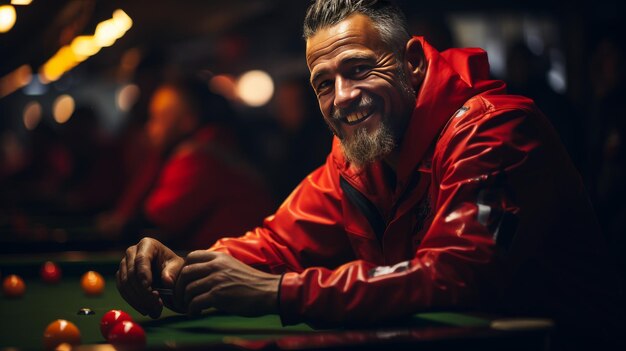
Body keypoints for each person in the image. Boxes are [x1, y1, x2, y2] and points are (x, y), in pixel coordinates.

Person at [116, 1, 624, 348]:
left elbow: (455, 274)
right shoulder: (356, 156)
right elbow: (277, 243)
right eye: (323, 83)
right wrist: (185, 267)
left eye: (359, 68)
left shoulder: (495, 130)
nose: (341, 97)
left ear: (412, 66)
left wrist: (278, 293)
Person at [98, 75, 274, 249]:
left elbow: (152, 222)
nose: (149, 128)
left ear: (187, 122)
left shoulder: (196, 158)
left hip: (242, 266)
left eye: (157, 117)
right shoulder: (217, 143)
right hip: (241, 259)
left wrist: (116, 225)